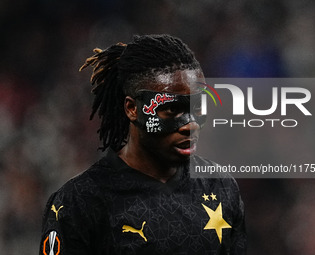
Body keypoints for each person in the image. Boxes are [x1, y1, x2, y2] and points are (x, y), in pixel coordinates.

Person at [39, 34, 246, 255]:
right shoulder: (80, 201)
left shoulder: (220, 186)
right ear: (132, 108)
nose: (190, 125)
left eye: (197, 108)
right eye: (173, 109)